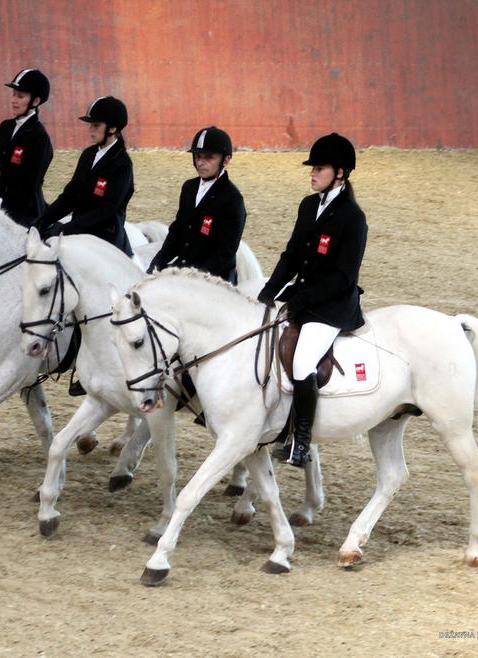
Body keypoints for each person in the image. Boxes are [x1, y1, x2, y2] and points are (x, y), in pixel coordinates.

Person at [257, 133, 367, 467]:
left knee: (303, 362)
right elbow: (291, 255)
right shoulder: (308, 206)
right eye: (313, 168)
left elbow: (343, 277)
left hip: (332, 306)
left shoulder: (353, 217)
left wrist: (302, 298)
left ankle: (301, 442)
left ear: (340, 173)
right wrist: (268, 292)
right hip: (303, 298)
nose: (312, 173)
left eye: (319, 168)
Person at [37, 96, 134, 257]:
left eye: (96, 125)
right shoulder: (88, 155)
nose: (90, 129)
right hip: (79, 231)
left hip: (105, 238)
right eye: (90, 125)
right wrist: (44, 220)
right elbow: (70, 195)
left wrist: (66, 229)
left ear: (112, 128)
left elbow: (106, 211)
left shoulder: (123, 164)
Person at [147, 126, 246, 282]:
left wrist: (194, 278)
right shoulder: (189, 188)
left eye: (209, 157)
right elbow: (177, 231)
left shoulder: (232, 199)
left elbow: (225, 252)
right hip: (183, 268)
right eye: (198, 156)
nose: (200, 163)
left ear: (225, 160)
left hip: (213, 278)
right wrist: (157, 263)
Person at [0, 68, 53, 227]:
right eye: (13, 94)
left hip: (24, 213)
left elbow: (29, 186)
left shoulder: (39, 137)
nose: (14, 100)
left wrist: (2, 203)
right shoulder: (5, 127)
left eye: (20, 96)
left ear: (35, 101)